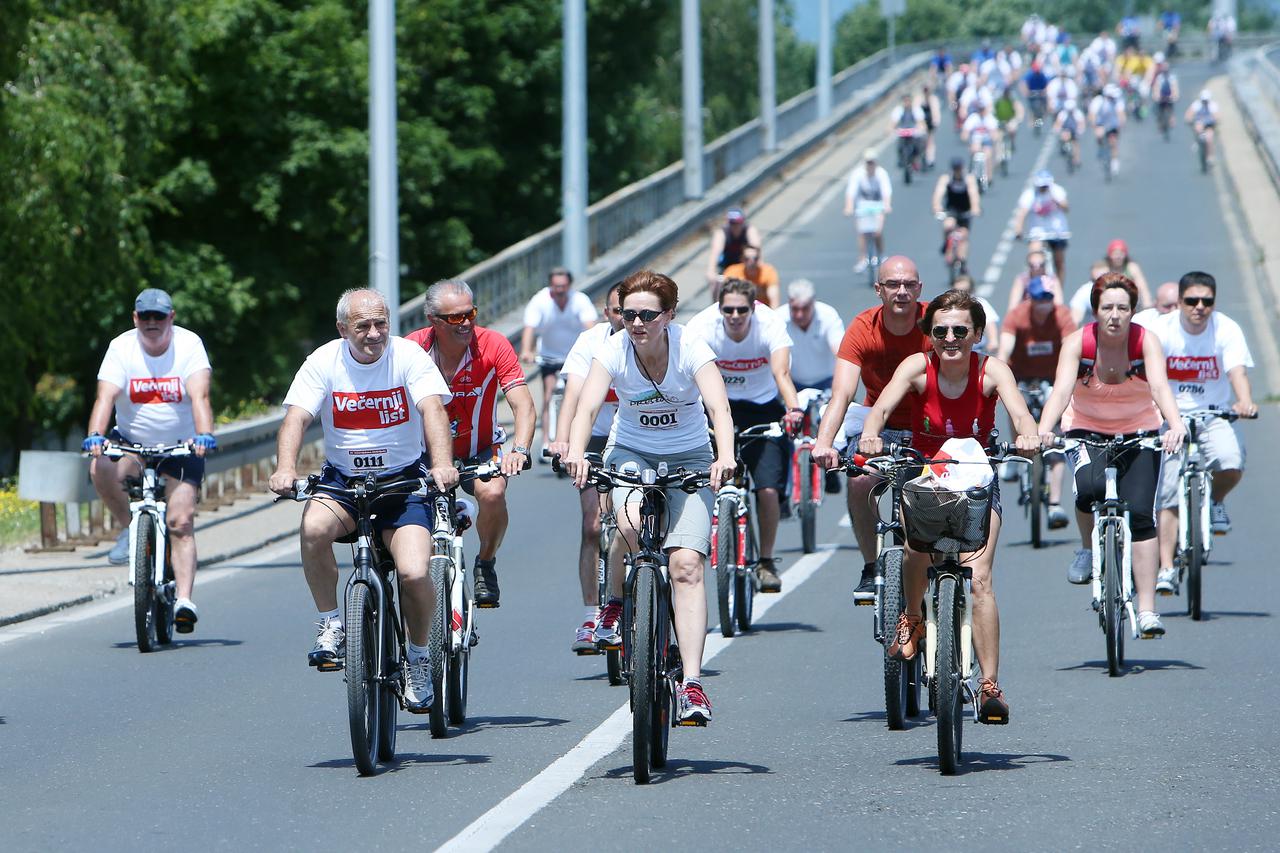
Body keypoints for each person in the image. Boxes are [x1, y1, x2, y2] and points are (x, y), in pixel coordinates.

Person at [268, 289, 458, 713]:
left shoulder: (408, 357)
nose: (374, 334)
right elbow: (296, 417)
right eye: (363, 326)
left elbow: (432, 411)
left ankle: (419, 658)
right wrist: (285, 468)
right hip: (344, 483)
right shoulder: (324, 361)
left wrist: (442, 464)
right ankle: (330, 624)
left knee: (412, 572)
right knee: (313, 528)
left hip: (402, 483)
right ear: (343, 330)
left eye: (381, 324)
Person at [858, 289, 1042, 723]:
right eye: (940, 330)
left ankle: (990, 685)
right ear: (930, 335)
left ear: (977, 333)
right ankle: (912, 618)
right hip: (926, 474)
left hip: (976, 476)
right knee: (913, 551)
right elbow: (880, 408)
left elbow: (1021, 413)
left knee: (979, 578)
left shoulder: (991, 370)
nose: (950, 338)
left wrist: (1029, 434)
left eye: (960, 330)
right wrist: (870, 435)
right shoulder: (917, 368)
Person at [565, 270, 737, 725]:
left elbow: (719, 407)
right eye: (628, 314)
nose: (636, 323)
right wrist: (580, 453)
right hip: (631, 451)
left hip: (691, 456)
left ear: (669, 316)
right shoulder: (613, 349)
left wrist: (725, 457)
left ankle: (694, 684)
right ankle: (620, 600)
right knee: (627, 524)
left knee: (685, 565)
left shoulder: (690, 347)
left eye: (646, 315)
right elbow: (585, 407)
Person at [1036, 274, 1185, 638]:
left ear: (1133, 311)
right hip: (1087, 431)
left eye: (1123, 308)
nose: (1115, 315)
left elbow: (1161, 386)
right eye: (1107, 308)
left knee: (1140, 516)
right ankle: (1088, 549)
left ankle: (1147, 609)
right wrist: (1044, 428)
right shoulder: (1079, 343)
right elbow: (1060, 390)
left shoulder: (1144, 341)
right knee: (1088, 489)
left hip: (1139, 433)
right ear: (1095, 310)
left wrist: (1174, 424)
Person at [84, 288, 214, 633]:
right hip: (133, 444)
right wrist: (96, 436)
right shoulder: (121, 347)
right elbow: (105, 398)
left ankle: (184, 600)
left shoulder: (188, 346)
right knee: (100, 467)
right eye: (145, 317)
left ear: (171, 318)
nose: (152, 323)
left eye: (159, 317)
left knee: (180, 521)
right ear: (135, 319)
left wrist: (202, 436)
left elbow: (200, 396)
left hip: (181, 445)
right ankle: (130, 529)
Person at [406, 280, 535, 608]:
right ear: (433, 319)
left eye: (470, 314)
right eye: (455, 318)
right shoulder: (411, 349)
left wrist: (519, 450)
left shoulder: (493, 344)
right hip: (424, 453)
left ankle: (485, 562)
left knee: (493, 493)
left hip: (479, 447)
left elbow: (523, 404)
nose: (465, 323)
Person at [812, 256, 931, 601]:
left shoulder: (933, 325)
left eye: (909, 284)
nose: (902, 292)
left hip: (929, 427)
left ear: (919, 289)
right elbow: (842, 394)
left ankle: (942, 565)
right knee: (861, 478)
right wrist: (824, 443)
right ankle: (870, 564)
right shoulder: (863, 328)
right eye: (893, 285)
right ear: (879, 290)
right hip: (880, 426)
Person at [687, 279, 802, 592]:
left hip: (762, 407)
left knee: (766, 490)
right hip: (716, 406)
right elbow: (687, 374)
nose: (735, 316)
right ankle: (704, 540)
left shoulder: (770, 324)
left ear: (753, 308)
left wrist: (793, 410)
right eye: (728, 310)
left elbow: (781, 373)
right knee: (702, 482)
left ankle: (765, 561)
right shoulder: (702, 326)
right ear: (719, 308)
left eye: (741, 310)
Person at [1151, 271, 1257, 594]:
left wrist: (1245, 401)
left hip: (1213, 413)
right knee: (1168, 489)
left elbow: (1235, 370)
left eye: (1207, 301)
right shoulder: (1161, 330)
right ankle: (1166, 568)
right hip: (1171, 416)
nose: (1200, 307)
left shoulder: (1226, 328)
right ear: (1179, 302)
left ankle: (1216, 501)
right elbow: (1150, 377)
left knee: (1231, 461)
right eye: (1192, 301)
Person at [547, 283, 626, 651]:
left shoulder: (650, 343)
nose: (624, 319)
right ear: (606, 312)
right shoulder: (590, 342)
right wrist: (563, 441)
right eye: (615, 311)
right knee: (593, 525)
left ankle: (639, 597)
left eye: (629, 310)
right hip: (593, 439)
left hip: (633, 442)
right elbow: (573, 396)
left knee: (633, 525)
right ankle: (591, 612)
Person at [997, 276, 1076, 528]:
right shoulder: (1017, 316)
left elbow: (1070, 346)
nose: (1045, 304)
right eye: (1040, 298)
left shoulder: (1062, 316)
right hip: (1021, 376)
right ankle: (1015, 453)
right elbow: (1004, 349)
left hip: (1051, 378)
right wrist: (999, 370)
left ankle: (1054, 504)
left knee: (1052, 436)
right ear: (1030, 298)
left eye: (1049, 298)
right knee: (1015, 405)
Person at [520, 267, 597, 457]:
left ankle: (573, 437)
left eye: (563, 286)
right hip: (549, 356)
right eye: (556, 286)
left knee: (576, 397)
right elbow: (529, 328)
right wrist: (527, 351)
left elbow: (591, 327)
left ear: (569, 285)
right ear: (550, 286)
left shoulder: (580, 300)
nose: (560, 290)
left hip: (575, 358)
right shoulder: (540, 301)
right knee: (549, 395)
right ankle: (546, 440)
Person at [784, 279, 844, 393]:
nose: (799, 315)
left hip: (827, 381)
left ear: (813, 303)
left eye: (805, 308)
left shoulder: (828, 315)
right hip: (792, 382)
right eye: (795, 309)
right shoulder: (778, 319)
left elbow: (840, 354)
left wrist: (841, 388)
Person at [1013, 171, 1070, 285]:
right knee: (1034, 257)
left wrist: (1055, 199)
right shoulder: (1030, 194)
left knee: (1059, 262)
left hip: (1057, 232)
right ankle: (1032, 285)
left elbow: (1066, 207)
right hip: (1038, 232)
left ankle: (1059, 287)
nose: (1043, 188)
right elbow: (1022, 213)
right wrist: (1018, 230)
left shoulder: (1057, 191)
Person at [844, 149, 893, 275]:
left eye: (872, 162)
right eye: (868, 162)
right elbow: (851, 192)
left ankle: (881, 255)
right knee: (862, 232)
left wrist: (887, 205)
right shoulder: (857, 174)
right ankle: (862, 259)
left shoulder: (881, 173)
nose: (870, 165)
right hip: (863, 206)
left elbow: (886, 191)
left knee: (877, 231)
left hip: (878, 205)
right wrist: (849, 207)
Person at [932, 156, 982, 278]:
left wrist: (975, 208)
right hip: (952, 210)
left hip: (965, 211)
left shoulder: (968, 179)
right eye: (955, 169)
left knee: (963, 235)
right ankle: (946, 243)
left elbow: (973, 194)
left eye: (959, 168)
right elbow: (938, 193)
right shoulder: (946, 178)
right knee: (948, 225)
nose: (957, 171)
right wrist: (936, 206)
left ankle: (963, 262)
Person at [705, 207, 764, 288]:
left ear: (743, 222)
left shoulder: (749, 230)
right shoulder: (721, 233)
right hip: (727, 267)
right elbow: (715, 252)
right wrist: (711, 270)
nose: (735, 226)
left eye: (738, 223)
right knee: (716, 286)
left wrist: (760, 266)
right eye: (732, 223)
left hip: (745, 265)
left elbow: (756, 249)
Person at [951, 274, 999, 355]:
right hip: (953, 348)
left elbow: (989, 322)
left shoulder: (979, 304)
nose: (961, 295)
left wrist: (993, 340)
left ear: (972, 291)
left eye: (965, 291)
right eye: (957, 291)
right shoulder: (948, 305)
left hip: (975, 349)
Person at [1006, 249, 1064, 315]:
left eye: (1041, 265)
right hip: (1027, 316)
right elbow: (1012, 307)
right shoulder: (1022, 279)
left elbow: (1059, 304)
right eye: (1032, 266)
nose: (1037, 269)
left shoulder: (1052, 280)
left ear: (1045, 266)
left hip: (1048, 315)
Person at [1101, 239, 1152, 309]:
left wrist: (1147, 305)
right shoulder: (1105, 269)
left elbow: (1143, 288)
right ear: (1110, 255)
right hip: (1112, 303)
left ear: (1125, 255)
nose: (1118, 257)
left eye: (1121, 254)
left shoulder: (1132, 267)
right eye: (1115, 254)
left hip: (1132, 303)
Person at [1089, 84, 1126, 176]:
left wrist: (1121, 124)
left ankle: (1114, 161)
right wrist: (1095, 126)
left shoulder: (1118, 101)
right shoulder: (1097, 101)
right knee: (1099, 136)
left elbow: (1121, 114)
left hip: (1113, 124)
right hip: (1101, 123)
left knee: (1113, 142)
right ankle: (1101, 147)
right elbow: (1092, 114)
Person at [962, 100, 1001, 183]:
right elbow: (965, 132)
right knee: (975, 150)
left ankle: (989, 177)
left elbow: (994, 132)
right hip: (975, 140)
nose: (981, 111)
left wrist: (993, 137)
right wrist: (966, 139)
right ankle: (972, 171)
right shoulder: (973, 118)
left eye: (982, 109)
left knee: (988, 155)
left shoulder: (989, 118)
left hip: (987, 141)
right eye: (980, 109)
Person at [889, 92, 927, 172]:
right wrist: (891, 130)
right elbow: (893, 123)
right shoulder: (898, 110)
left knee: (919, 145)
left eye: (908, 101)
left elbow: (921, 122)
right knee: (899, 145)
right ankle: (901, 158)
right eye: (905, 101)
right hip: (903, 132)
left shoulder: (916, 110)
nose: (907, 103)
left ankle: (916, 159)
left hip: (913, 132)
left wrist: (920, 128)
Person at [1069, 260, 1112, 327]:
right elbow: (1075, 320)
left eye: (1105, 279)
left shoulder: (1119, 291)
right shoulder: (1084, 292)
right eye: (1095, 281)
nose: (1100, 285)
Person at [1184, 89, 1220, 166]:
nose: (1205, 102)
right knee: (1198, 128)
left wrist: (1213, 121)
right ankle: (1197, 141)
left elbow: (1216, 116)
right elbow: (1189, 114)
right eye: (1203, 100)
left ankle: (1210, 156)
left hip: (1209, 125)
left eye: (1206, 100)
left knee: (1209, 139)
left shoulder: (1213, 105)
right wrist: (1189, 120)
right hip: (1199, 124)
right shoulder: (1196, 105)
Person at [1054, 97, 1086, 170]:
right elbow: (1058, 123)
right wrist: (1057, 130)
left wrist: (1080, 131)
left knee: (1076, 144)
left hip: (1074, 130)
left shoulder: (1078, 113)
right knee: (1064, 137)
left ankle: (1077, 159)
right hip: (1066, 130)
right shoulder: (1062, 114)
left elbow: (1081, 123)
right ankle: (1063, 147)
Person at [1149, 53, 1179, 129]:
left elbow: (1174, 87)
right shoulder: (1160, 77)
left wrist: (1175, 96)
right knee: (1159, 109)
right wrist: (1156, 96)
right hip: (1161, 95)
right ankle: (1160, 121)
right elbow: (1157, 87)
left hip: (1169, 95)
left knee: (1171, 108)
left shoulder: (1172, 77)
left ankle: (1172, 119)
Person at [920, 83, 943, 169]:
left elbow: (935, 111)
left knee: (930, 140)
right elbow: (916, 110)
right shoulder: (919, 99)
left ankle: (930, 159)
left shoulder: (933, 99)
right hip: (921, 122)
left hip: (929, 122)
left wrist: (936, 121)